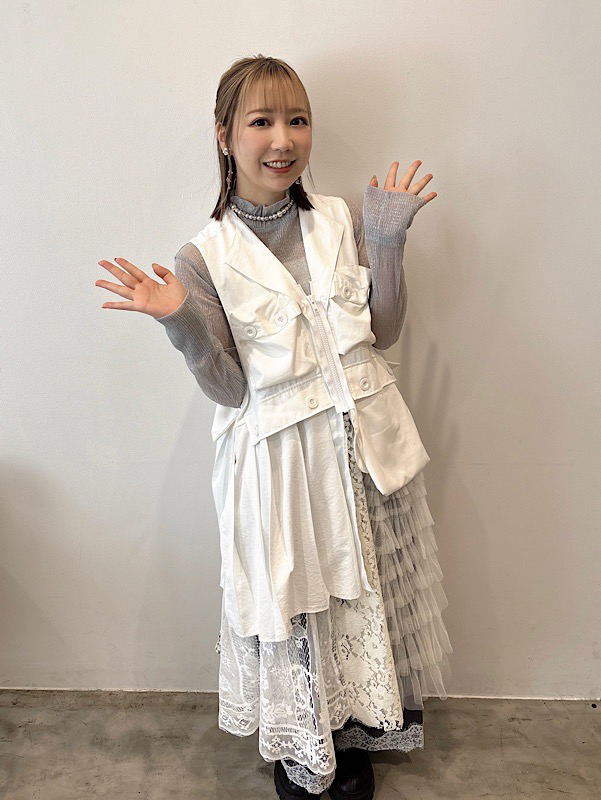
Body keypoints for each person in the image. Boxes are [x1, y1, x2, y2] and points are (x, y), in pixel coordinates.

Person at [96, 54, 452, 800]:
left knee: (364, 595)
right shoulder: (204, 256)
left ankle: (356, 732)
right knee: (297, 600)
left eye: (297, 120)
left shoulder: (339, 219)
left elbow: (381, 330)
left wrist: (387, 240)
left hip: (363, 447)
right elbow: (228, 388)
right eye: (261, 121)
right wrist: (180, 321)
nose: (283, 140)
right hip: (282, 461)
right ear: (224, 134)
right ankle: (305, 744)